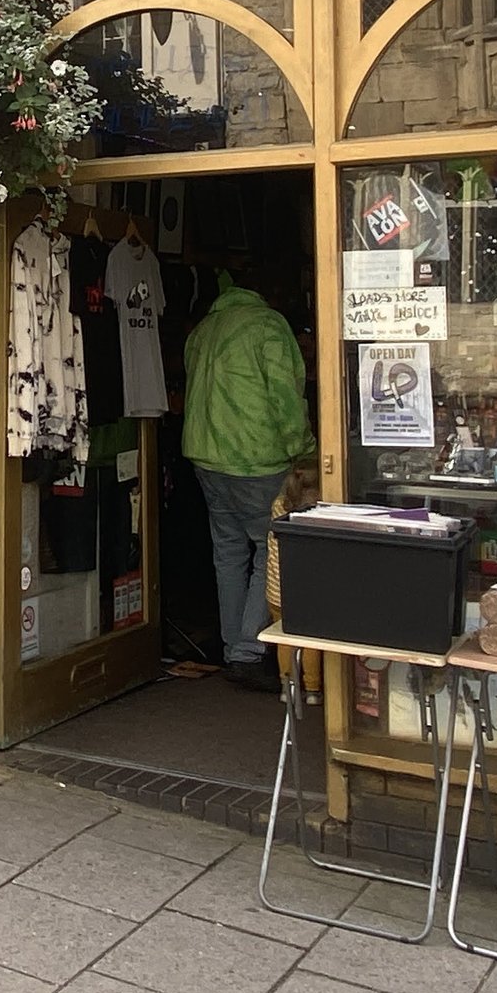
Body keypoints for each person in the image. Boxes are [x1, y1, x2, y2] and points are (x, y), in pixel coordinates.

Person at [183, 273, 316, 691]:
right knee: (269, 549)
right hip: (257, 458)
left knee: (227, 551)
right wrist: (306, 447)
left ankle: (232, 647)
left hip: (206, 456)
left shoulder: (203, 329)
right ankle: (248, 650)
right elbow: (285, 395)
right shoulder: (267, 326)